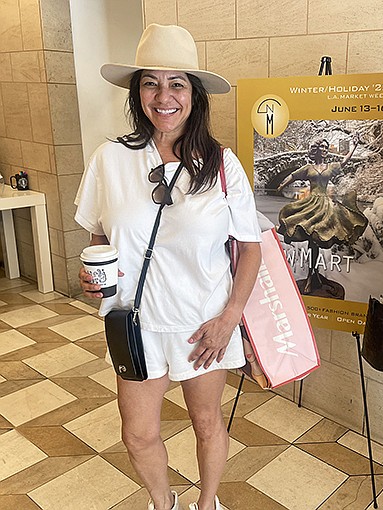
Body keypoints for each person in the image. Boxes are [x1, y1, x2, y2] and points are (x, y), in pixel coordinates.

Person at [75, 24, 261, 510]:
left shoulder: (223, 164)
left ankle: (208, 503)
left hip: (204, 321)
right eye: (150, 83)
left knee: (206, 422)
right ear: (137, 94)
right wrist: (96, 280)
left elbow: (250, 248)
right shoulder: (109, 159)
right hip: (134, 322)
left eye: (177, 83)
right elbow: (101, 237)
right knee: (137, 435)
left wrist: (230, 318)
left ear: (195, 96)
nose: (164, 96)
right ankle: (166, 503)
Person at [276, 136, 367, 298]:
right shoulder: (308, 168)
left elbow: (345, 162)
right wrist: (282, 185)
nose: (324, 151)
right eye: (321, 148)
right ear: (315, 151)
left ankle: (314, 275)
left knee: (320, 236)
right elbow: (293, 176)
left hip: (325, 204)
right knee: (309, 235)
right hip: (310, 204)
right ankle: (312, 274)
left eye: (326, 148)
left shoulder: (330, 167)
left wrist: (353, 147)